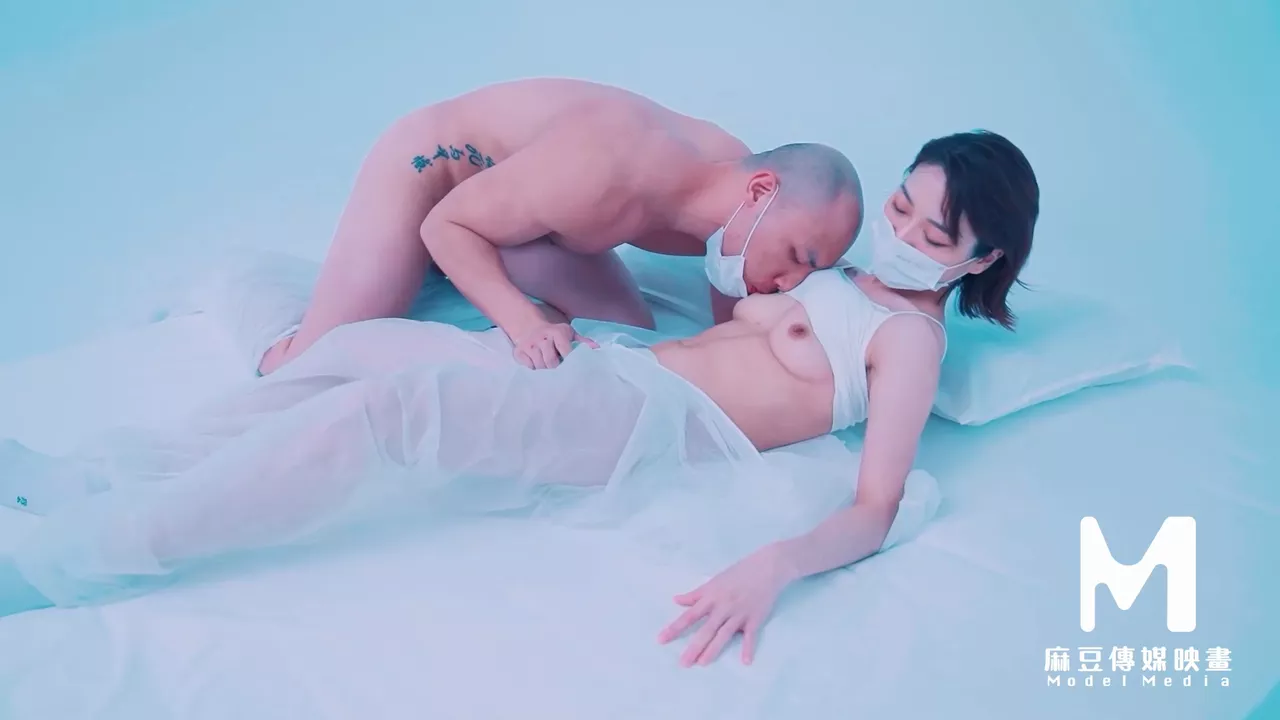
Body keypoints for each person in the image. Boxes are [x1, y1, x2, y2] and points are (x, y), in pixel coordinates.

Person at [0, 130, 1038, 670]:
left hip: (646, 422)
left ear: (980, 257)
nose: (901, 232)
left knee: (388, 417)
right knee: (360, 350)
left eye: (931, 233)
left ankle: (84, 557)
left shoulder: (907, 343)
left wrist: (775, 564)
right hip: (624, 363)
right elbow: (733, 267)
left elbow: (873, 504)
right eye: (900, 203)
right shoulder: (836, 269)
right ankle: (87, 478)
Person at [254, 77, 864, 375]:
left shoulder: (735, 198)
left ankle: (474, 271)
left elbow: (730, 327)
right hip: (438, 182)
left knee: (626, 339)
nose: (791, 281)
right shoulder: (603, 174)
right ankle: (281, 337)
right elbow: (447, 223)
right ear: (760, 193)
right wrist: (522, 323)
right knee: (312, 362)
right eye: (799, 256)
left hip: (532, 211)